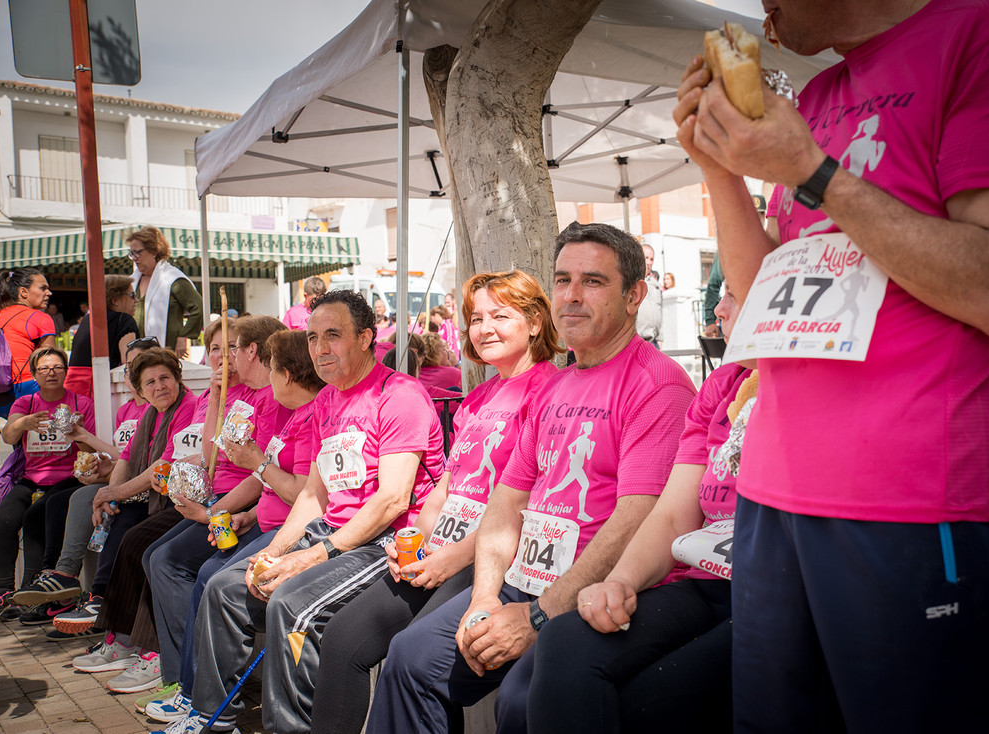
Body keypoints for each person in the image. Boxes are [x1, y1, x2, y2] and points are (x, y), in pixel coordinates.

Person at [673, 1, 989, 731]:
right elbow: (764, 298)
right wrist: (720, 169)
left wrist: (811, 171)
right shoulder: (818, 95)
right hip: (771, 496)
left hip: (909, 500)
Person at [365, 222, 697, 734]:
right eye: (563, 280)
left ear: (635, 296)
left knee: (521, 703)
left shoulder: (658, 383)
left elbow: (639, 516)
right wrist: (482, 598)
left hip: (598, 594)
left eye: (593, 281)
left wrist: (540, 616)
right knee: (411, 659)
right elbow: (506, 503)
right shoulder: (554, 387)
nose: (571, 296)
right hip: (522, 584)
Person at [164, 290, 444, 734]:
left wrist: (312, 556)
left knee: (292, 607)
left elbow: (392, 500)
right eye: (313, 337)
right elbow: (314, 494)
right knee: (225, 587)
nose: (319, 349)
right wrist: (274, 552)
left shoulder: (399, 395)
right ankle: (214, 721)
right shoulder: (328, 401)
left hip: (383, 544)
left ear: (367, 337)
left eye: (333, 335)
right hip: (331, 532)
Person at [310, 270, 562, 734]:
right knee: (344, 638)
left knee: (416, 659)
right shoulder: (479, 396)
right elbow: (445, 486)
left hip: (488, 561)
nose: (484, 328)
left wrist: (449, 559)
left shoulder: (551, 391)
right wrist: (414, 539)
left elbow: (524, 508)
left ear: (534, 322)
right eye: (475, 318)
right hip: (436, 552)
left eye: (499, 316)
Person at [528, 286, 747, 732]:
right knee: (567, 641)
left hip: (770, 592)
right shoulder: (722, 385)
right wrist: (620, 582)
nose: (719, 309)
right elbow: (672, 514)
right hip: (703, 583)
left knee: (642, 704)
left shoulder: (660, 382)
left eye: (735, 295)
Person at [140, 328, 325, 726]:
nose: (233, 360)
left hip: (294, 532)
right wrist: (244, 515)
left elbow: (301, 495)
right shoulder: (291, 415)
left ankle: (207, 706)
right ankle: (196, 696)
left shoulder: (307, 417)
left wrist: (255, 464)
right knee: (165, 559)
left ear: (286, 374)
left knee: (211, 578)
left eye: (271, 367)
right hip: (263, 520)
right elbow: (270, 486)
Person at [67, 320, 230, 693]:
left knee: (143, 545)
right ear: (139, 390)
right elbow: (126, 458)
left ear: (178, 377)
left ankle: (151, 650)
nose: (159, 387)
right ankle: (121, 638)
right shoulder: (150, 414)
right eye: (150, 383)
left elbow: (165, 467)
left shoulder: (189, 407)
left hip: (191, 501)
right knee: (128, 532)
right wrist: (108, 493)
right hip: (164, 500)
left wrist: (115, 493)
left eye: (164, 378)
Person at [21, 338, 159, 637]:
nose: (136, 373)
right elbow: (122, 458)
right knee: (61, 502)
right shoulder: (125, 411)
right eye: (130, 366)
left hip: (144, 490)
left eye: (143, 365)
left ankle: (80, 591)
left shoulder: (157, 409)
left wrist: (109, 482)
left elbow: (139, 460)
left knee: (87, 500)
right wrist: (102, 472)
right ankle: (63, 582)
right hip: (122, 482)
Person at [0, 347, 95, 617]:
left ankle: (31, 590)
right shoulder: (26, 403)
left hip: (68, 480)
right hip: (31, 479)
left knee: (34, 517)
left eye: (57, 368)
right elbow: (7, 435)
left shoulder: (81, 403)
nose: (51, 373)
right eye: (44, 369)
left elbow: (92, 445)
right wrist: (24, 423)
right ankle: (4, 592)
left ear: (66, 372)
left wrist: (77, 434)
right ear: (34, 374)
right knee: (4, 518)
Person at [128, 226, 203, 359]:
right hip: (138, 355)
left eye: (137, 252)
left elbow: (199, 307)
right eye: (131, 253)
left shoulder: (172, 279)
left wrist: (183, 336)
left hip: (168, 353)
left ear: (154, 251)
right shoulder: (132, 282)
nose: (134, 258)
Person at [65, 275, 140, 397]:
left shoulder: (88, 318)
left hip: (72, 392)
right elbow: (131, 362)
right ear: (115, 300)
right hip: (98, 392)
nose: (136, 300)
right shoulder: (124, 319)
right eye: (132, 295)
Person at [0, 268, 57, 417]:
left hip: (1, 389)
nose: (49, 293)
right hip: (28, 386)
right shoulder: (41, 318)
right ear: (23, 292)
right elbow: (50, 362)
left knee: (10, 436)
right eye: (43, 288)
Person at [635, 242, 662, 347]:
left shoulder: (656, 285)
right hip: (635, 341)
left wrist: (660, 338)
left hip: (653, 342)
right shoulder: (631, 282)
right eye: (646, 258)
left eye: (651, 259)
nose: (649, 262)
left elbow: (660, 310)